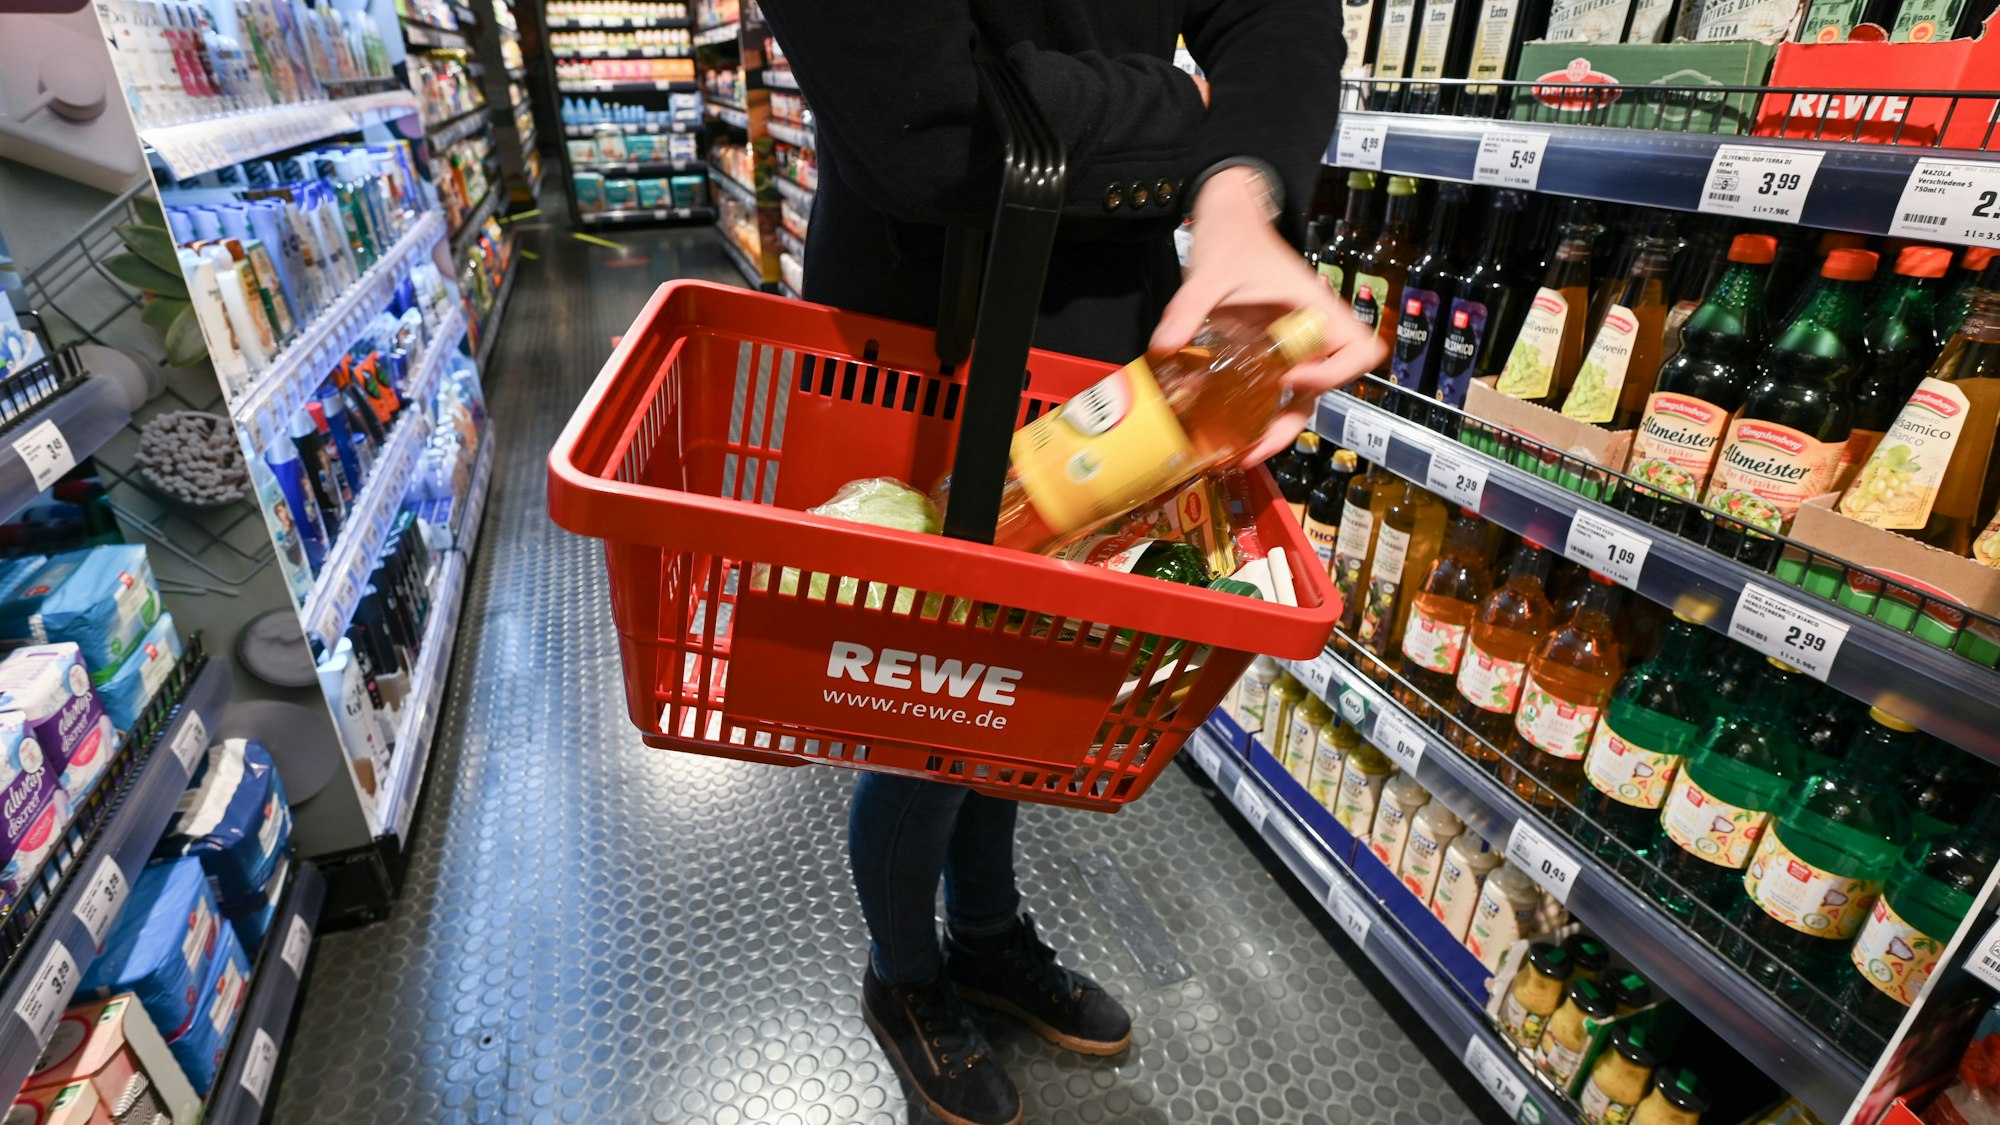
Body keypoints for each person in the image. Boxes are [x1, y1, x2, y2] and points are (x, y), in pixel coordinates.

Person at [754, 4, 1380, 1124]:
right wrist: (1184, 108)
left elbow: (1271, 9)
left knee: (1018, 684)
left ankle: (986, 938)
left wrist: (1238, 194)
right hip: (917, 323)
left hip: (1102, 337)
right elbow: (922, 126)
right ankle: (904, 977)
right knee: (927, 704)